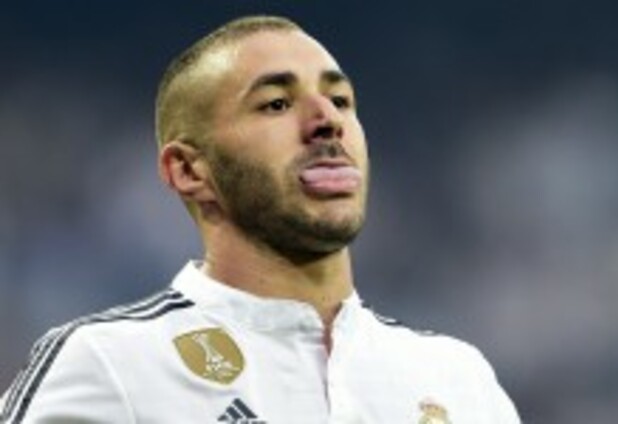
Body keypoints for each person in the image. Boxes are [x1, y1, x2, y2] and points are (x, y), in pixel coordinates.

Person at [1, 15, 520, 423]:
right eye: (275, 104)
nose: (327, 121)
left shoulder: (457, 378)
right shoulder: (111, 363)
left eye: (341, 100)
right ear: (189, 170)